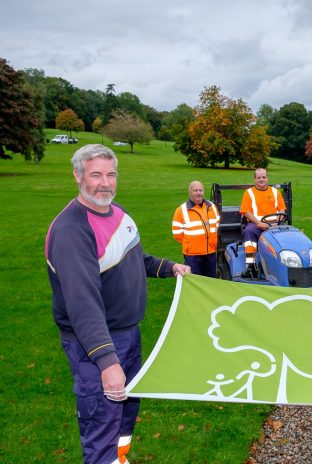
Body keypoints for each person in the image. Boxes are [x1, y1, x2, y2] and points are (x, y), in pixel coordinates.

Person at [45, 144, 190, 464]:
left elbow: (132, 256)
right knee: (101, 423)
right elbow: (82, 303)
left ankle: (119, 459)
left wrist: (167, 267)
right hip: (95, 345)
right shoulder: (72, 230)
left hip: (128, 335)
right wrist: (107, 362)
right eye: (95, 174)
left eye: (110, 174)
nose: (104, 183)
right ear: (77, 175)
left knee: (124, 416)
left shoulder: (118, 213)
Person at [239, 168, 286, 273]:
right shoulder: (249, 193)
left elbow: (282, 209)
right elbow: (246, 212)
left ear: (267, 178)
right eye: (258, 177)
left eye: (263, 177)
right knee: (248, 231)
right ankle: (250, 265)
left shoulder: (275, 192)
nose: (261, 179)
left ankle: (285, 262)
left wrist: (277, 222)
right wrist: (258, 223)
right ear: (255, 179)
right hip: (256, 225)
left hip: (275, 225)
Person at [171, 180, 220, 278]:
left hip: (210, 252)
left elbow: (217, 224)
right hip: (192, 254)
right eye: (195, 190)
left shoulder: (212, 207)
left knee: (211, 280)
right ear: (190, 192)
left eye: (201, 190)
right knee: (194, 280)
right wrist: (190, 243)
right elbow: (177, 233)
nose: (199, 193)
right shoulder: (181, 210)